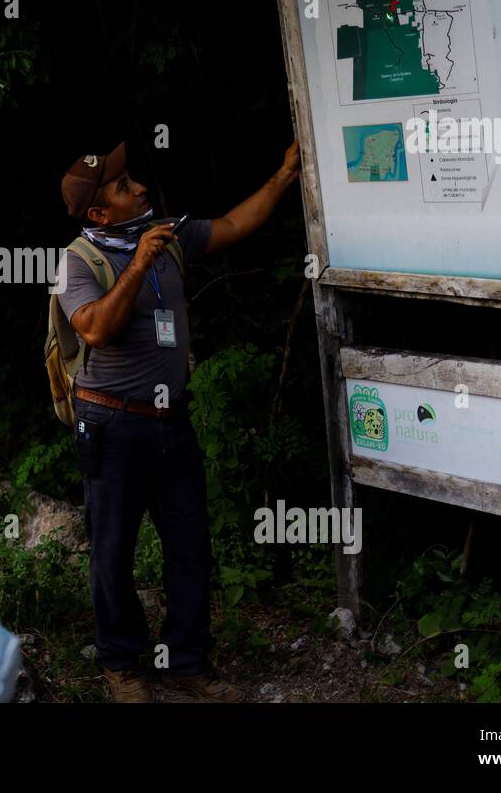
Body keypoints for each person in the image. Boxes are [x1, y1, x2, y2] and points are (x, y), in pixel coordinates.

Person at [57, 138, 301, 702]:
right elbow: (94, 329)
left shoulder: (167, 234)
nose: (139, 187)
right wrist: (139, 263)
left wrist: (285, 174)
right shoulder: (78, 260)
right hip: (111, 425)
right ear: (99, 213)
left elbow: (236, 224)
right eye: (122, 187)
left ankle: (187, 665)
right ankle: (122, 666)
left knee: (190, 547)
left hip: (172, 421)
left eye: (133, 179)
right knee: (112, 552)